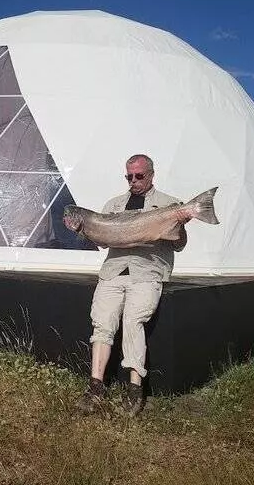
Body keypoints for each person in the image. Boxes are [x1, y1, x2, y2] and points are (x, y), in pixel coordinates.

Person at [67, 154, 193, 416]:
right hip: (113, 272)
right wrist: (81, 230)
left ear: (151, 174)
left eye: (139, 176)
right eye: (129, 176)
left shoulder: (169, 205)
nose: (133, 181)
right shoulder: (113, 205)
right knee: (102, 323)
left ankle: (134, 389)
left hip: (147, 273)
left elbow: (179, 245)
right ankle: (96, 386)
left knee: (134, 321)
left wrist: (180, 224)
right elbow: (102, 241)